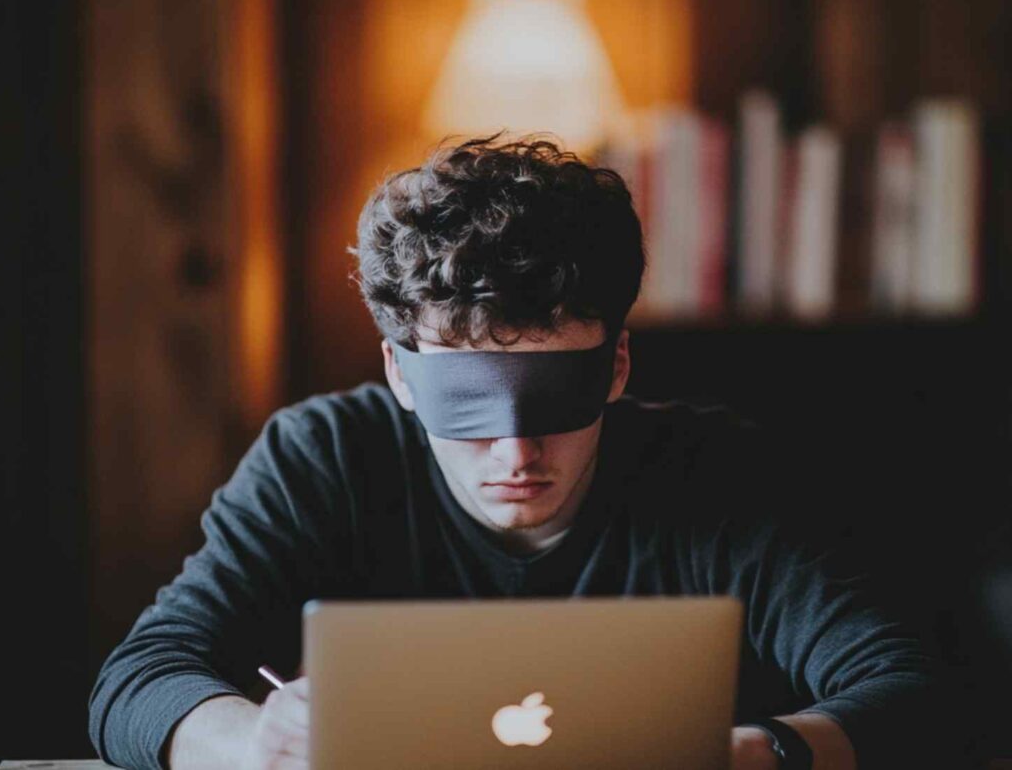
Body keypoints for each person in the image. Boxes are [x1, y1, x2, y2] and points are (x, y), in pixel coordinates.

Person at [88, 133, 958, 770]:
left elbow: (916, 689)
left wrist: (756, 754)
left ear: (616, 364)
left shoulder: (721, 476)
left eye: (555, 394)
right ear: (398, 372)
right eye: (465, 401)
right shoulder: (323, 459)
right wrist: (252, 744)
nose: (515, 445)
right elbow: (140, 677)